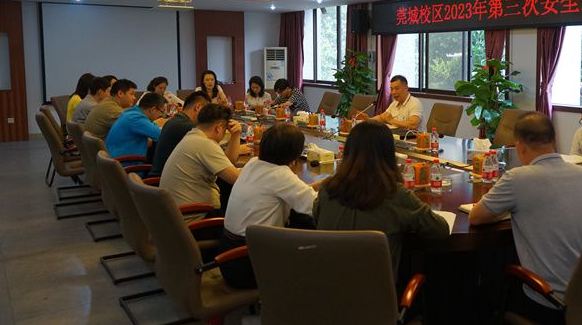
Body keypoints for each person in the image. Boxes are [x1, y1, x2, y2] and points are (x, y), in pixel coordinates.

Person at [468, 112, 582, 325]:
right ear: (554, 141)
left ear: (520, 147)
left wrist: (511, 207)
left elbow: (476, 217)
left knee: (482, 296)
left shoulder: (518, 178)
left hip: (553, 302)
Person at [313, 121, 448, 276]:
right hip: (376, 290)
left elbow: (317, 220)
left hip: (325, 286)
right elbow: (440, 230)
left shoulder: (328, 189)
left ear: (348, 151)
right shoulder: (395, 194)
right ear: (389, 154)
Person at [220, 123, 325, 288]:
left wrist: (321, 185)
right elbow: (317, 208)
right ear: (295, 154)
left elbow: (287, 192)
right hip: (250, 263)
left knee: (298, 219)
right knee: (315, 239)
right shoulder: (280, 175)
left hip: (229, 255)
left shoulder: (253, 163)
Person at [159, 104, 242, 215]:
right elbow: (238, 180)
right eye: (225, 129)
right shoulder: (205, 144)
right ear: (218, 128)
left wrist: (236, 135)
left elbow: (228, 162)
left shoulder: (193, 136)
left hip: (176, 214)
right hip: (195, 217)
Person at [148, 91, 210, 176]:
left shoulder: (175, 121)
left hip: (164, 175)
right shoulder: (187, 127)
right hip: (165, 179)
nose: (208, 117)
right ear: (198, 107)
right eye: (207, 112)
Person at [105, 92, 165, 160]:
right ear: (153, 110)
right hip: (125, 162)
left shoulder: (132, 112)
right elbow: (161, 135)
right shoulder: (136, 118)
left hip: (117, 157)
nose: (162, 115)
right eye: (162, 112)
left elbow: (153, 127)